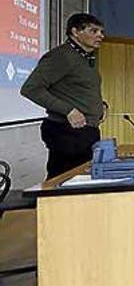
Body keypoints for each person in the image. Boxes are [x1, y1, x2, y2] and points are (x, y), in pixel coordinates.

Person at [21, 13, 106, 178]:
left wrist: (101, 105)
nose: (100, 36)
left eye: (101, 32)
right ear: (75, 32)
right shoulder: (62, 56)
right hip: (67, 132)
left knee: (83, 180)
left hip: (86, 131)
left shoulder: (85, 58)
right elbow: (30, 89)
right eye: (94, 31)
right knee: (64, 181)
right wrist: (68, 110)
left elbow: (77, 90)